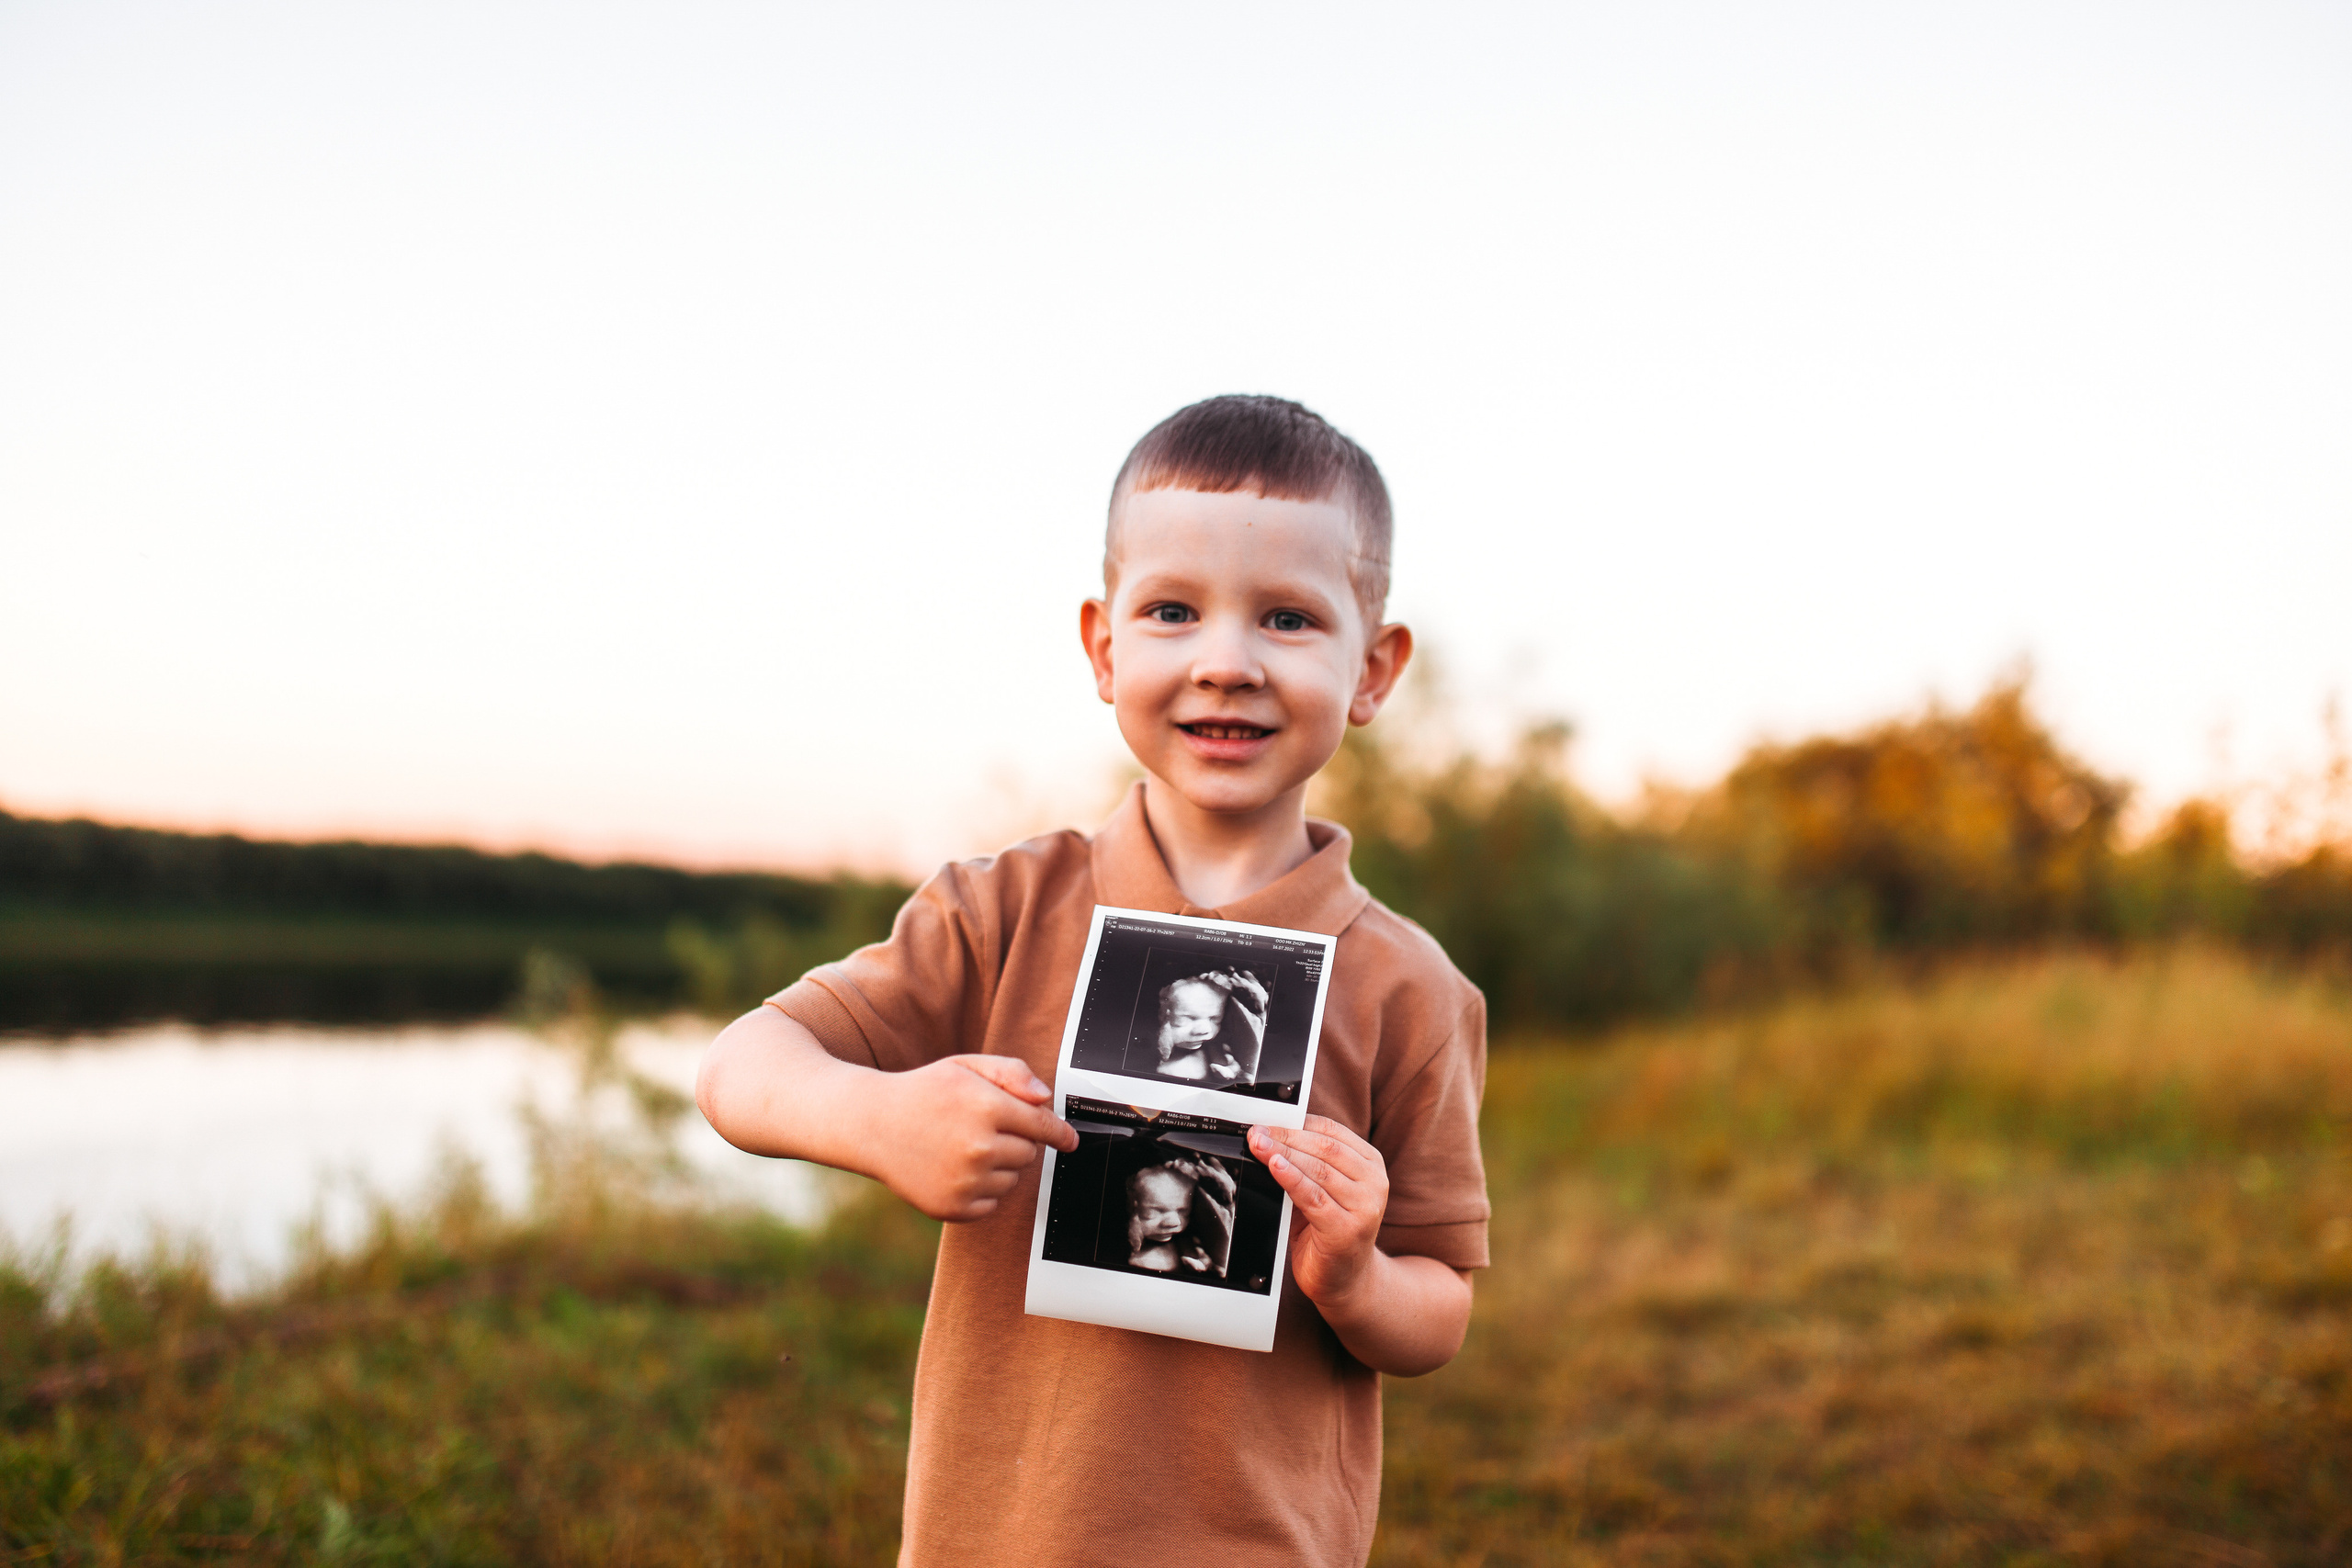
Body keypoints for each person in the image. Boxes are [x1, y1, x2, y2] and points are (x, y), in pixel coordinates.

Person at [696, 393, 1490, 1567]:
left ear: (1372, 671)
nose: (1227, 662)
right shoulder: (1000, 910)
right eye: (1173, 611)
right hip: (994, 1538)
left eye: (1286, 618)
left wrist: (1357, 1273)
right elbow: (738, 1068)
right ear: (1103, 648)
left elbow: (1438, 1311)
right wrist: (880, 1118)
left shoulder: (1407, 986)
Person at [1124, 1153, 1236, 1276]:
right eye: (1156, 1211)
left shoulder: (1186, 1242)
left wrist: (1204, 1266)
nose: (1174, 1222)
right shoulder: (1121, 1247)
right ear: (1132, 1206)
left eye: (1184, 1211)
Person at [1150, 967, 1266, 1083]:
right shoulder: (1144, 1053)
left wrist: (1229, 1072)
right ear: (1161, 1014)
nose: (1205, 1029)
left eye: (1215, 1019)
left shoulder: (1217, 1047)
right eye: (1186, 1019)